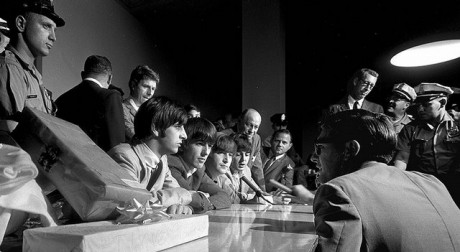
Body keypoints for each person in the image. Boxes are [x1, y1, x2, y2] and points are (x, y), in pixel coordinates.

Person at [291, 109, 460, 251]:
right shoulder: (431, 182)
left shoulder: (338, 190)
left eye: (319, 148)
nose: (313, 157)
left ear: (350, 149)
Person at [108, 96, 193, 214]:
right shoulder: (123, 156)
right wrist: (182, 196)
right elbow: (133, 204)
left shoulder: (162, 159)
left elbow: (179, 193)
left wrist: (179, 206)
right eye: (178, 127)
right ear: (156, 127)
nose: (184, 135)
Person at [0, 0, 65, 144]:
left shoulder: (33, 74)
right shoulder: (9, 68)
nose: (53, 37)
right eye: (46, 26)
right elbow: (11, 136)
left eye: (54, 30)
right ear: (21, 24)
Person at [394, 82, 460, 207]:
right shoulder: (410, 129)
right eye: (418, 105)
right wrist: (396, 185)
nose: (420, 109)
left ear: (442, 103)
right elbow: (402, 159)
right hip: (421, 189)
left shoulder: (457, 126)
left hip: (453, 188)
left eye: (426, 104)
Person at [55, 55, 125, 152]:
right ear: (110, 78)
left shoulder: (61, 100)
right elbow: (117, 146)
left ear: (82, 75)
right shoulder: (110, 97)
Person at [167, 117, 231, 214]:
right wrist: (202, 200)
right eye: (200, 144)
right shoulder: (172, 164)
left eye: (210, 146)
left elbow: (224, 196)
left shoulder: (198, 171)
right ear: (184, 143)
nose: (206, 152)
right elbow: (191, 198)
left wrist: (205, 203)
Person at [221, 108, 265, 191]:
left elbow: (257, 168)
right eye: (249, 125)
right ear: (239, 121)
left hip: (244, 183)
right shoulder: (223, 136)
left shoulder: (256, 139)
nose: (252, 130)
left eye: (256, 127)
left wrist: (264, 193)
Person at [122, 65, 159, 142]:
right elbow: (136, 137)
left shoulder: (153, 114)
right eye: (146, 86)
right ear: (133, 85)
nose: (150, 93)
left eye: (153, 89)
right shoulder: (122, 108)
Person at [204, 133, 237, 201]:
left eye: (230, 155)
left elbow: (235, 202)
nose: (226, 160)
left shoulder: (223, 180)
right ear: (209, 152)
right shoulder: (197, 176)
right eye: (222, 153)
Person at [227, 133, 258, 203]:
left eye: (247, 155)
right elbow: (234, 199)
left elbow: (258, 192)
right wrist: (247, 197)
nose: (243, 159)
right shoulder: (223, 171)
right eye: (238, 155)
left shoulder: (246, 170)